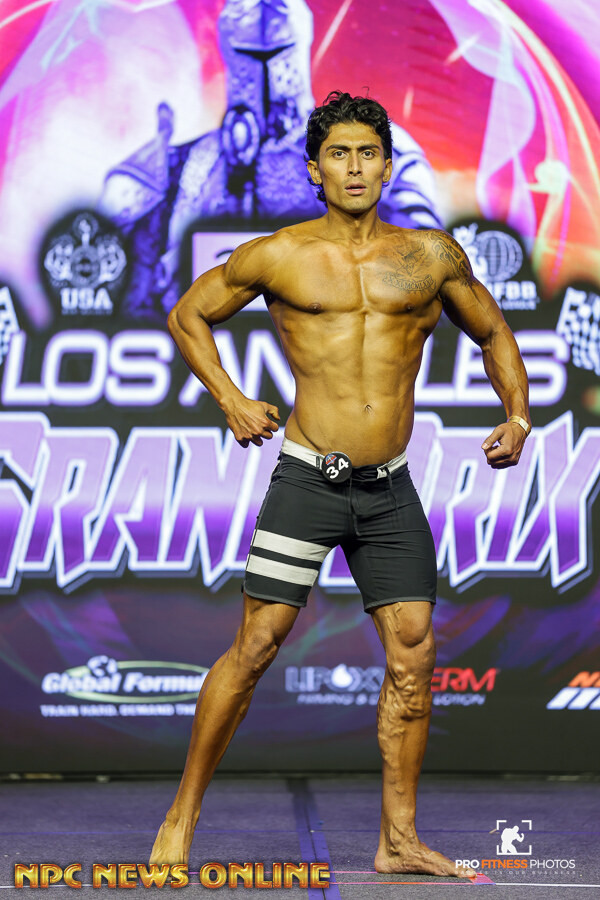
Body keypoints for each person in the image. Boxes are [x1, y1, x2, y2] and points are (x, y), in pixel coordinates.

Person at [150, 91, 531, 878]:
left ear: (388, 167)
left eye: (367, 154)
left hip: (388, 490)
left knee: (414, 650)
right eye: (338, 155)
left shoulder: (430, 256)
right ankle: (181, 815)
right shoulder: (279, 255)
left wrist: (518, 415)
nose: (354, 167)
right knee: (256, 645)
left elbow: (494, 330)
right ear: (314, 169)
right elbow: (189, 315)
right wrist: (231, 399)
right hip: (308, 478)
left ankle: (399, 841)